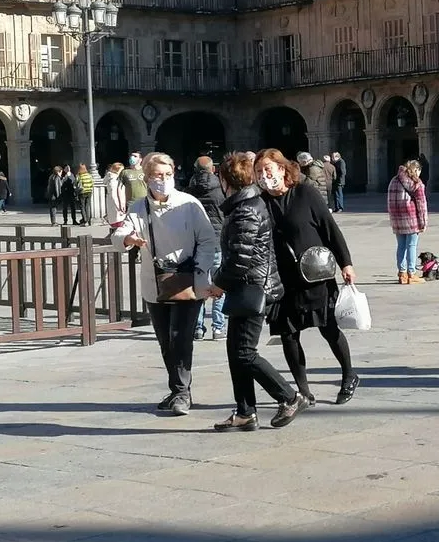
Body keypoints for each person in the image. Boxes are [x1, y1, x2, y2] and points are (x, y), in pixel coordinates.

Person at [208, 152, 309, 431]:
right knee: (235, 351)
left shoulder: (246, 209)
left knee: (244, 353)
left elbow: (241, 257)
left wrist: (219, 282)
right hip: (247, 286)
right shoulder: (245, 205)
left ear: (225, 180)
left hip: (253, 288)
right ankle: (244, 412)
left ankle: (289, 396)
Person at [111, 152, 217, 415]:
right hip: (155, 282)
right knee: (165, 340)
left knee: (181, 338)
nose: (163, 180)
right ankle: (176, 389)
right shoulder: (138, 207)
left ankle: (182, 392)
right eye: (158, 175)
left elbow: (207, 240)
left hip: (188, 281)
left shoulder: (189, 204)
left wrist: (199, 267)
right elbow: (119, 233)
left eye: (168, 174)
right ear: (146, 177)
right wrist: (129, 240)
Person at [255, 148, 360, 406]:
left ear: (282, 169)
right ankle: (303, 390)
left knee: (328, 328)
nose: (264, 176)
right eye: (259, 172)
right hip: (282, 279)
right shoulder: (260, 202)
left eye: (268, 169)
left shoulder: (305, 193)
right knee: (289, 335)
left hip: (315, 274)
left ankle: (349, 374)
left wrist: (346, 263)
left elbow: (329, 228)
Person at [186, 156, 226, 341]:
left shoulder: (190, 190)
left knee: (200, 286)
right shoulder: (221, 188)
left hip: (198, 243)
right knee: (219, 285)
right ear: (212, 169)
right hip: (217, 242)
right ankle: (218, 328)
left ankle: (198, 328)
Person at [388, 160, 428, 284]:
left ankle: (402, 274)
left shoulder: (394, 180)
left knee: (401, 246)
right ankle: (412, 273)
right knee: (411, 246)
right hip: (411, 218)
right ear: (415, 170)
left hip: (397, 218)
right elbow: (421, 205)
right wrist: (423, 223)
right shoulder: (416, 183)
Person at [103, 163, 126, 232]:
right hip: (117, 205)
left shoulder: (112, 178)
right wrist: (119, 206)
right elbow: (114, 194)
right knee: (119, 226)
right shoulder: (114, 180)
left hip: (114, 205)